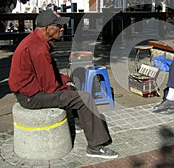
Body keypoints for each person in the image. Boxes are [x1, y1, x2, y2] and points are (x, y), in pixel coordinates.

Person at [8, 9, 118, 159]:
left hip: (32, 90)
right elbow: (50, 87)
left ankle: (81, 122)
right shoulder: (38, 49)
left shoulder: (37, 41)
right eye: (58, 26)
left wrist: (68, 81)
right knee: (83, 97)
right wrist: (69, 87)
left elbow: (49, 75)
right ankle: (96, 145)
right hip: (30, 97)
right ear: (48, 28)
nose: (62, 29)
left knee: (73, 84)